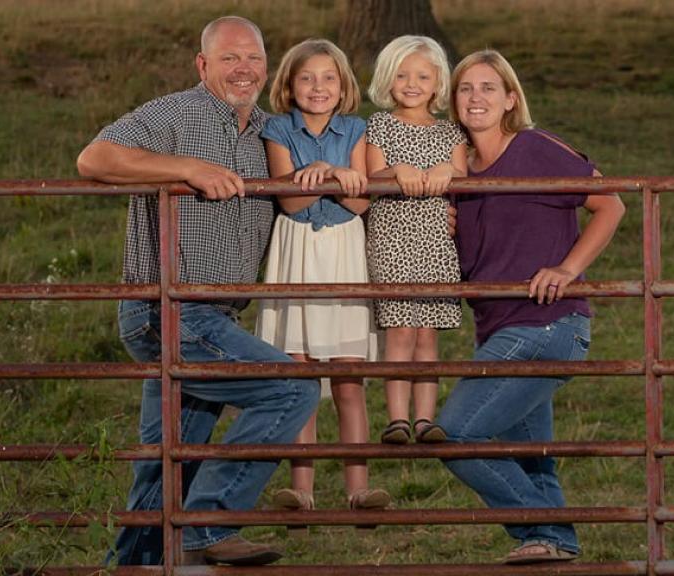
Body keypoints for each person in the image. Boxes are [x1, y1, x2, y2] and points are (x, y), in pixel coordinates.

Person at [76, 16, 320, 567]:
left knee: (170, 458)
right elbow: (94, 158)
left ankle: (139, 563)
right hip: (167, 307)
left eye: (254, 58)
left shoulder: (272, 131)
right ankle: (208, 524)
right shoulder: (174, 114)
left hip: (217, 318)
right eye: (230, 58)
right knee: (291, 390)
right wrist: (187, 167)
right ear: (203, 64)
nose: (244, 69)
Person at [440, 49, 625, 564]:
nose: (476, 98)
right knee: (536, 461)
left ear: (510, 99)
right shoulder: (457, 173)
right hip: (497, 330)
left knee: (456, 432)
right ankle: (549, 543)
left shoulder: (534, 148)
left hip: (548, 324)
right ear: (454, 101)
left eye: (488, 88)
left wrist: (568, 270)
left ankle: (545, 528)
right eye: (465, 89)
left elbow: (610, 202)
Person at [254, 39, 390, 514]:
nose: (318, 87)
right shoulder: (276, 129)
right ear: (289, 85)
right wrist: (323, 178)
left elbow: (359, 202)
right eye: (307, 78)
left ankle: (358, 489)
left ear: (343, 85)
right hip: (297, 253)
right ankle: (302, 490)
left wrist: (327, 172)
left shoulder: (357, 129)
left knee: (348, 379)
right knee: (302, 375)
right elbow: (289, 201)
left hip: (344, 254)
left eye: (328, 78)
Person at [364, 36, 467, 446]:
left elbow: (463, 176)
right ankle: (396, 419)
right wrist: (396, 169)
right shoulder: (380, 125)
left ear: (438, 81)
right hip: (393, 238)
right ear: (388, 80)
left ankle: (425, 419)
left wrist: (447, 170)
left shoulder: (450, 133)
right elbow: (373, 176)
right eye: (402, 75)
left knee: (427, 335)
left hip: (437, 242)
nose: (412, 83)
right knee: (401, 331)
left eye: (423, 75)